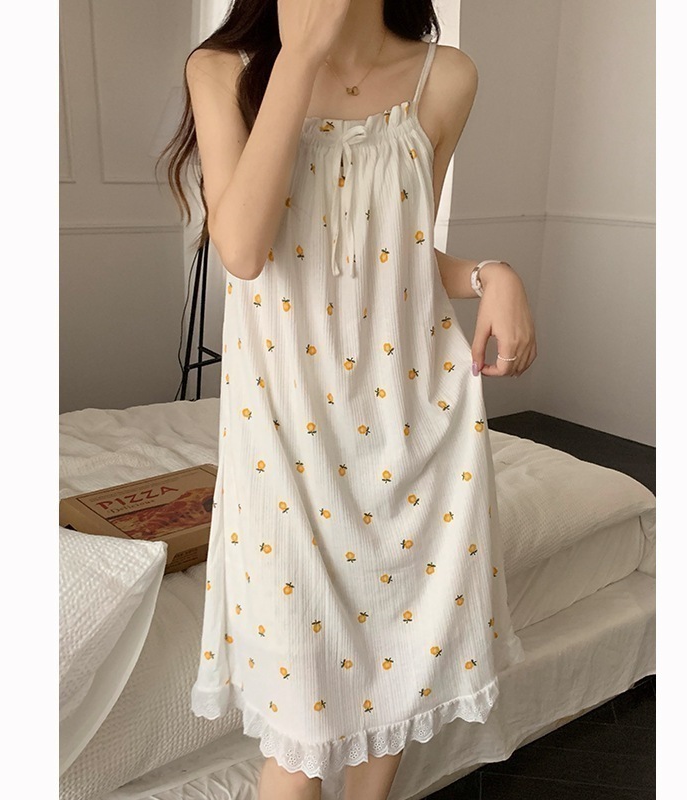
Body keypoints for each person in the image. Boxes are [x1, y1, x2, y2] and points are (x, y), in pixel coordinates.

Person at [158, 2, 537, 798]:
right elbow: (243, 249)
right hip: (285, 449)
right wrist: (299, 58)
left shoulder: (445, 77)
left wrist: (489, 275)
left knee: (391, 707)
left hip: (416, 437)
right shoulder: (223, 70)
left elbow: (395, 248)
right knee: (299, 745)